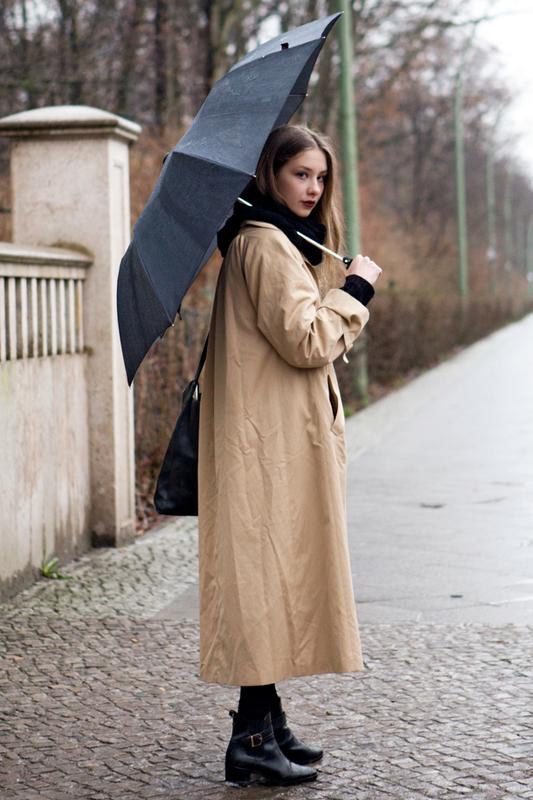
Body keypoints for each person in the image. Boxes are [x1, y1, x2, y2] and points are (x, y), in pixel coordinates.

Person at [197, 124, 382, 787]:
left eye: (320, 177)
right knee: (261, 581)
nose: (312, 188)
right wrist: (354, 291)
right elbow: (305, 341)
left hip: (272, 438)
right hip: (264, 446)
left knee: (271, 578)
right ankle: (249, 737)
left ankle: (265, 719)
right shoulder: (264, 245)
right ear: (268, 175)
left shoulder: (275, 242)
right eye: (299, 174)